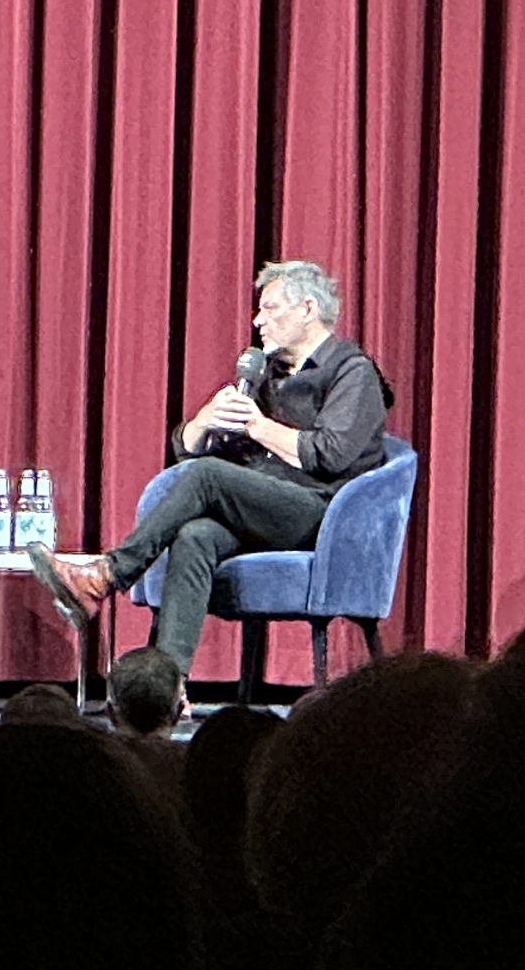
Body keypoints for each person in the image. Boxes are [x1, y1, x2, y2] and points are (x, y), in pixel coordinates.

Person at [30, 259, 392, 676]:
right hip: (258, 505)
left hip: (319, 516)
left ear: (308, 310)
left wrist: (256, 425)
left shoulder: (352, 373)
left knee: (206, 478)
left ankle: (107, 574)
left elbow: (328, 454)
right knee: (194, 535)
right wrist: (204, 423)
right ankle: (168, 687)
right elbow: (187, 453)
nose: (258, 321)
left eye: (270, 309)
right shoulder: (266, 372)